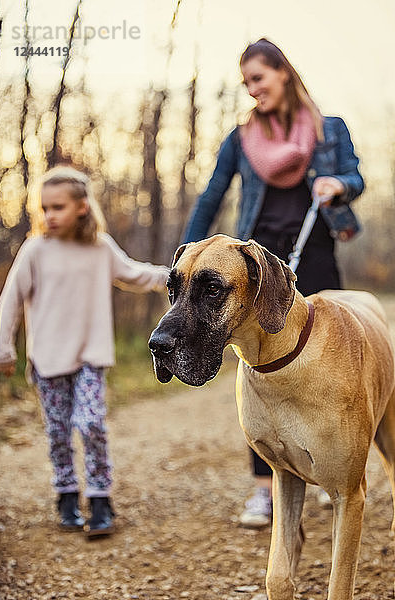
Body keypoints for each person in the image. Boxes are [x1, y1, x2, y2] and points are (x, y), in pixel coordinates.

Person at [183, 38, 364, 528]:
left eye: (257, 78)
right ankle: (266, 489)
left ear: (283, 73)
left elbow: (356, 177)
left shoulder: (329, 130)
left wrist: (340, 185)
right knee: (259, 371)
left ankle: (329, 468)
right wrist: (184, 258)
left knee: (327, 366)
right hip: (256, 261)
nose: (252, 90)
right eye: (246, 82)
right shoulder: (240, 139)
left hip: (317, 253)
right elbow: (211, 195)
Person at [0, 166, 170, 536]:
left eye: (58, 207)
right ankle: (67, 495)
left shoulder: (99, 247)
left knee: (90, 423)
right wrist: (3, 347)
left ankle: (100, 497)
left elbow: (135, 274)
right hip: (47, 359)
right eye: (43, 208)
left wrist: (176, 276)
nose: (49, 216)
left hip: (90, 355)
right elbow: (11, 299)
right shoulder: (35, 250)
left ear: (82, 207)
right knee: (58, 432)